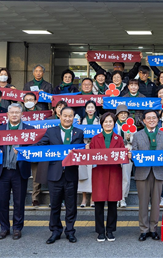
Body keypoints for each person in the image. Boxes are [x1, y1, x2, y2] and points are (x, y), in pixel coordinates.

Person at [36, 107, 85, 244]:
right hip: (54, 174)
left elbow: (81, 151)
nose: (68, 118)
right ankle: (55, 231)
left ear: (74, 117)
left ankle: (70, 231)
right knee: (55, 205)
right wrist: (24, 150)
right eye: (65, 116)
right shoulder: (51, 131)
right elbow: (40, 145)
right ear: (60, 116)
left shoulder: (78, 132)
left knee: (71, 205)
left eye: (70, 116)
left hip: (71, 174)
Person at [0, 103, 34, 240]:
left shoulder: (29, 130)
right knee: (3, 202)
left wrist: (23, 152)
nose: (15, 115)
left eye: (17, 112)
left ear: (22, 114)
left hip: (19, 170)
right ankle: (4, 228)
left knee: (19, 201)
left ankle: (17, 228)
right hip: (3, 170)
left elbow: (34, 149)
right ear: (7, 115)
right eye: (12, 112)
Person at [131, 110, 163, 241]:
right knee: (143, 203)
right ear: (143, 121)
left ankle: (153, 228)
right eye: (148, 118)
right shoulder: (137, 135)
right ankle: (144, 230)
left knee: (156, 203)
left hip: (158, 172)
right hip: (142, 173)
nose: (151, 120)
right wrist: (131, 155)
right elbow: (134, 154)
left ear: (158, 120)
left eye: (154, 118)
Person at [90, 112, 124, 242]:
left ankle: (110, 230)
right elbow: (91, 156)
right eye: (106, 122)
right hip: (99, 172)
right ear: (102, 124)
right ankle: (100, 231)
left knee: (112, 203)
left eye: (110, 121)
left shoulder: (119, 139)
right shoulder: (95, 138)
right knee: (99, 203)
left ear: (114, 123)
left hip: (114, 172)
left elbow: (122, 156)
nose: (108, 124)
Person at [78, 100, 100, 208]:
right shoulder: (81, 121)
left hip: (96, 150)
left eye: (92, 107)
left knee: (94, 174)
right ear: (85, 109)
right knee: (84, 174)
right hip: (84, 149)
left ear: (95, 109)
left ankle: (92, 199)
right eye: (88, 107)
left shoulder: (99, 121)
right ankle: (84, 198)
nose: (90, 109)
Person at [115, 104, 134, 208]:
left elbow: (135, 141)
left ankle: (123, 198)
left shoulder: (132, 125)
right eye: (121, 114)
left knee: (126, 176)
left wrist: (129, 138)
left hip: (127, 152)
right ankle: (115, 197)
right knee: (115, 176)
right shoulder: (113, 125)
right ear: (117, 115)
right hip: (115, 152)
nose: (123, 115)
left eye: (125, 114)